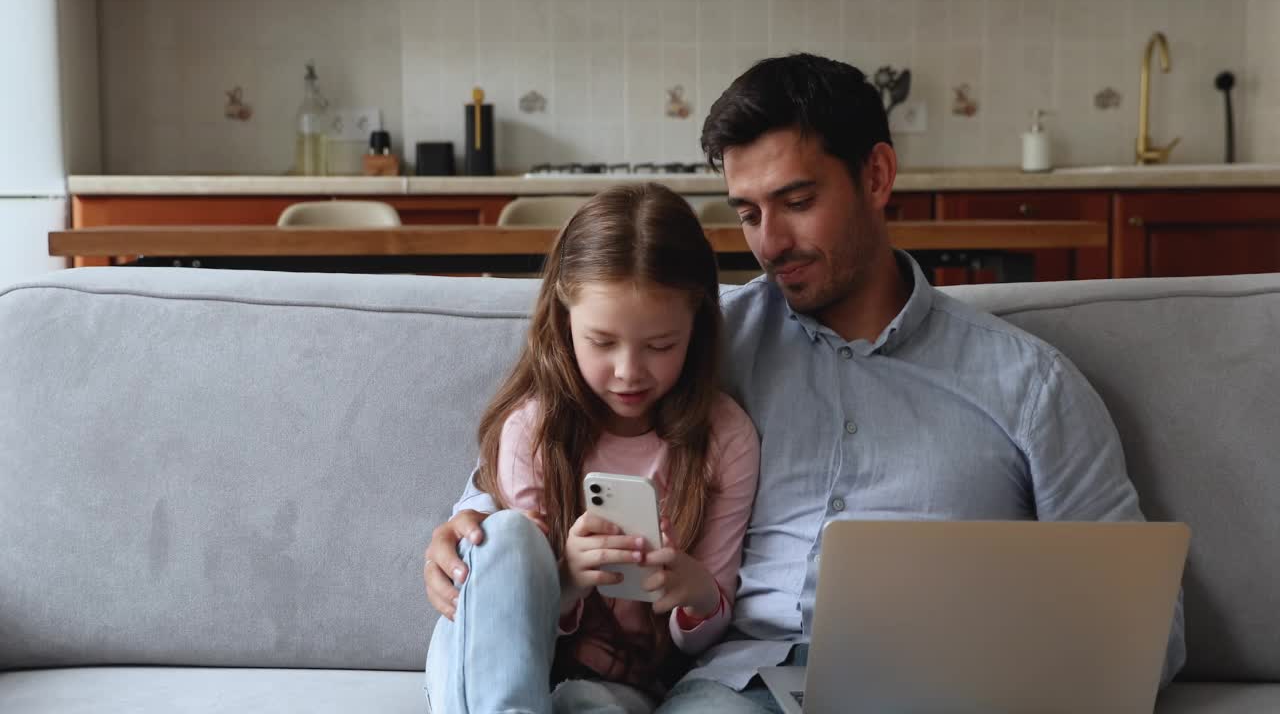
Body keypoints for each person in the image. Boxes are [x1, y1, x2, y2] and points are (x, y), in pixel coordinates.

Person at [425, 54, 1185, 713]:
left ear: (877, 175)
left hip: (937, 690)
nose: (771, 243)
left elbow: (1149, 620)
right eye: (748, 213)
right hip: (739, 686)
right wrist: (472, 519)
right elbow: (565, 432)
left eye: (797, 202)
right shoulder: (703, 347)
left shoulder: (1027, 384)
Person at [424, 183, 761, 713]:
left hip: (620, 683)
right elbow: (506, 601)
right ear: (564, 320)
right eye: (602, 342)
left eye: (660, 345)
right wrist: (566, 580)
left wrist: (694, 590)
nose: (629, 371)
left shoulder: (725, 439)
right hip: (507, 654)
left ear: (696, 328)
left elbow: (706, 638)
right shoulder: (533, 429)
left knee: (592, 704)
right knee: (507, 534)